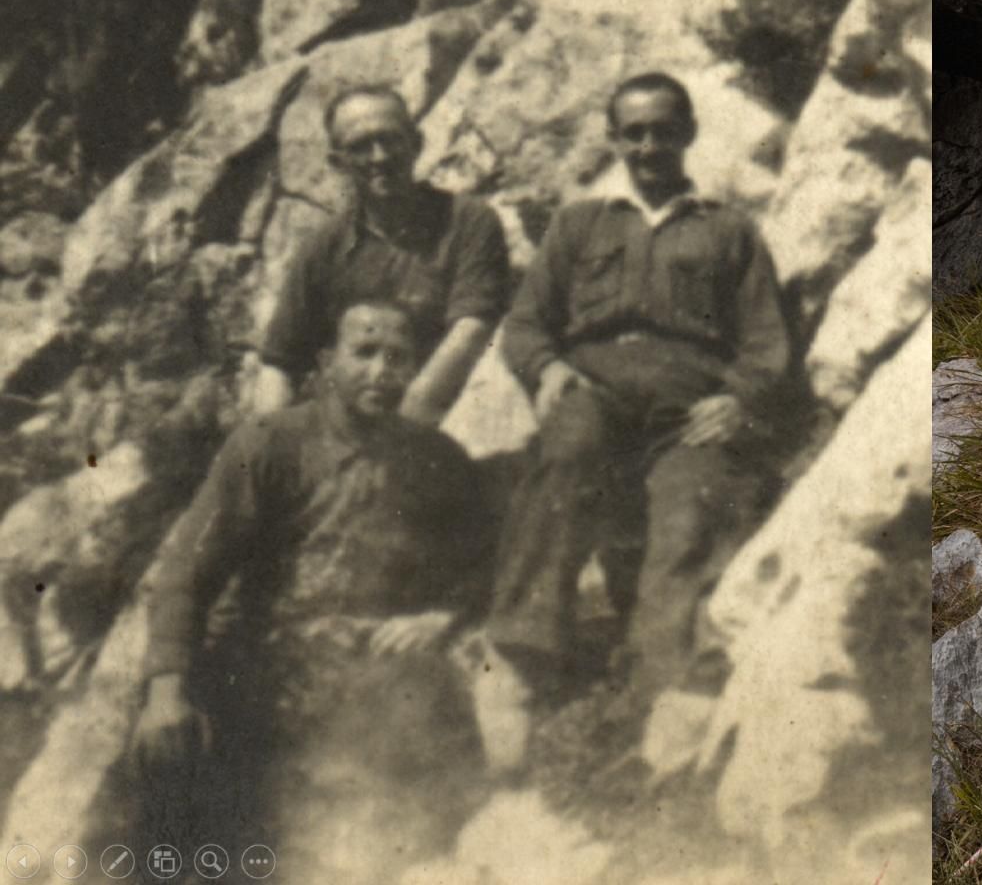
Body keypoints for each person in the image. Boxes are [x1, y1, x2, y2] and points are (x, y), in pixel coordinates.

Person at [132, 300, 494, 875]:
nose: (381, 372)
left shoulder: (437, 459)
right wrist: (165, 688)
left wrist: (442, 618)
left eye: (398, 359)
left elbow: (485, 561)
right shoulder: (271, 443)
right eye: (365, 353)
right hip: (266, 665)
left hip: (378, 675)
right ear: (327, 361)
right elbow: (187, 571)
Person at [482, 71, 792, 725]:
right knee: (569, 452)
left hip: (688, 412)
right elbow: (525, 323)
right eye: (634, 134)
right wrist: (545, 370)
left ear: (689, 134)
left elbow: (765, 341)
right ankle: (520, 658)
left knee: (695, 502)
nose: (650, 146)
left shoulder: (729, 230)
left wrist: (738, 397)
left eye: (663, 131)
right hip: (594, 391)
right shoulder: (578, 225)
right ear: (614, 140)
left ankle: (665, 692)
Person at [254, 85, 510, 426]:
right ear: (338, 162)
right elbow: (280, 363)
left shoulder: (468, 221)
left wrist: (404, 427)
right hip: (351, 421)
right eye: (360, 146)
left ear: (416, 144)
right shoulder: (323, 247)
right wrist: (270, 444)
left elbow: (473, 328)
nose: (379, 157)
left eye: (391, 140)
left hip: (447, 413)